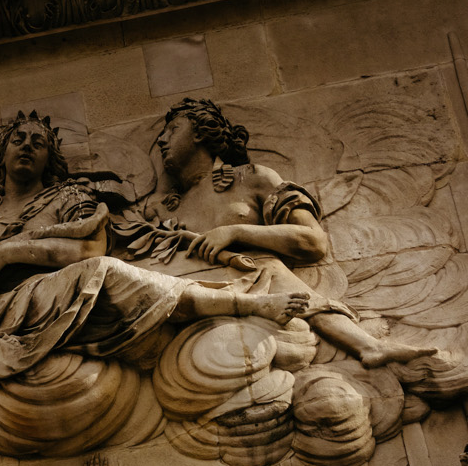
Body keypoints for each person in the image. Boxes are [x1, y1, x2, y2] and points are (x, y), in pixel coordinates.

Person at [0, 110, 308, 383]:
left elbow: (90, 249)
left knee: (106, 270)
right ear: (0, 154)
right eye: (18, 139)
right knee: (106, 274)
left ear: (49, 159)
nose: (26, 145)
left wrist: (7, 252)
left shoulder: (65, 199)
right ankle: (241, 304)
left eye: (37, 143)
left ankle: (244, 305)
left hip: (45, 298)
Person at [112, 97, 440, 370]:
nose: (162, 139)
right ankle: (364, 344)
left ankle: (364, 344)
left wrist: (236, 231)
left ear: (200, 133)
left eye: (173, 129)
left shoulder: (253, 179)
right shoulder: (161, 210)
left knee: (264, 264)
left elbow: (313, 242)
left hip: (252, 296)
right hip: (191, 306)